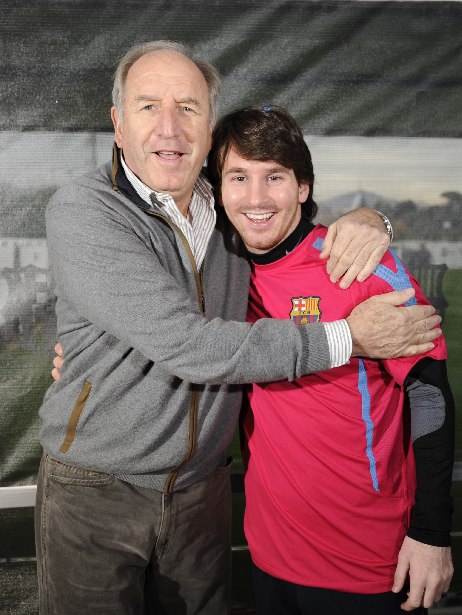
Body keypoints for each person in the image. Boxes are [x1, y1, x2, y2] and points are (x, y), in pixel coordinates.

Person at [38, 40, 442, 615]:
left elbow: (280, 214)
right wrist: (347, 336)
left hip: (204, 493)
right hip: (99, 490)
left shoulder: (230, 215)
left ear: (207, 130)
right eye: (148, 106)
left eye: (188, 107)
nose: (169, 126)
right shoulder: (87, 210)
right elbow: (188, 344)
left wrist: (371, 220)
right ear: (118, 124)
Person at [206, 105, 454, 615]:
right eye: (239, 177)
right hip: (270, 555)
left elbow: (430, 396)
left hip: (369, 562)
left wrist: (432, 533)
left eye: (274, 177)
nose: (256, 198)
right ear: (219, 189)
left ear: (302, 187)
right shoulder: (222, 274)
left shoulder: (360, 266)